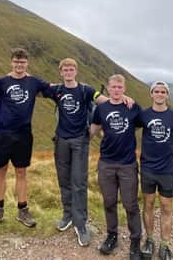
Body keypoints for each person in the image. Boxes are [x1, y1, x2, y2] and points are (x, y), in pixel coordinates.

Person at [45, 58, 134, 247]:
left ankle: (81, 223)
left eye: (71, 69)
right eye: (65, 69)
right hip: (61, 140)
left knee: (79, 181)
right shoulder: (57, 90)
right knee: (64, 180)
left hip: (79, 141)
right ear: (61, 72)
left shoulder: (85, 90)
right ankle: (67, 215)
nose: (68, 72)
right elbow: (36, 89)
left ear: (76, 71)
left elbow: (103, 101)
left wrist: (120, 98)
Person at [0, 48, 51, 229]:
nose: (19, 65)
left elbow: (52, 89)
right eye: (16, 61)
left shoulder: (34, 82)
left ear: (26, 63)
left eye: (22, 62)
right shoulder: (1, 82)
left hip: (23, 134)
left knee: (21, 172)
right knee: (1, 172)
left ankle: (23, 211)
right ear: (11, 62)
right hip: (2, 134)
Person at [90, 74, 143, 260]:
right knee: (109, 202)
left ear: (124, 88)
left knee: (131, 205)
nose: (116, 90)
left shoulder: (133, 107)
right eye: (113, 87)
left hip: (127, 164)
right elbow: (94, 129)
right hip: (106, 164)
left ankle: (135, 241)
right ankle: (112, 236)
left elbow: (140, 125)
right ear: (109, 88)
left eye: (120, 87)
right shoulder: (101, 108)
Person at [138, 81, 173, 260]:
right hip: (147, 168)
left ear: (167, 95)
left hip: (168, 169)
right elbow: (126, 129)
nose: (160, 94)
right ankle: (149, 240)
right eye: (156, 91)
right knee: (148, 204)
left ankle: (164, 245)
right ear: (151, 94)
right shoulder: (143, 115)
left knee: (166, 207)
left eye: (163, 91)